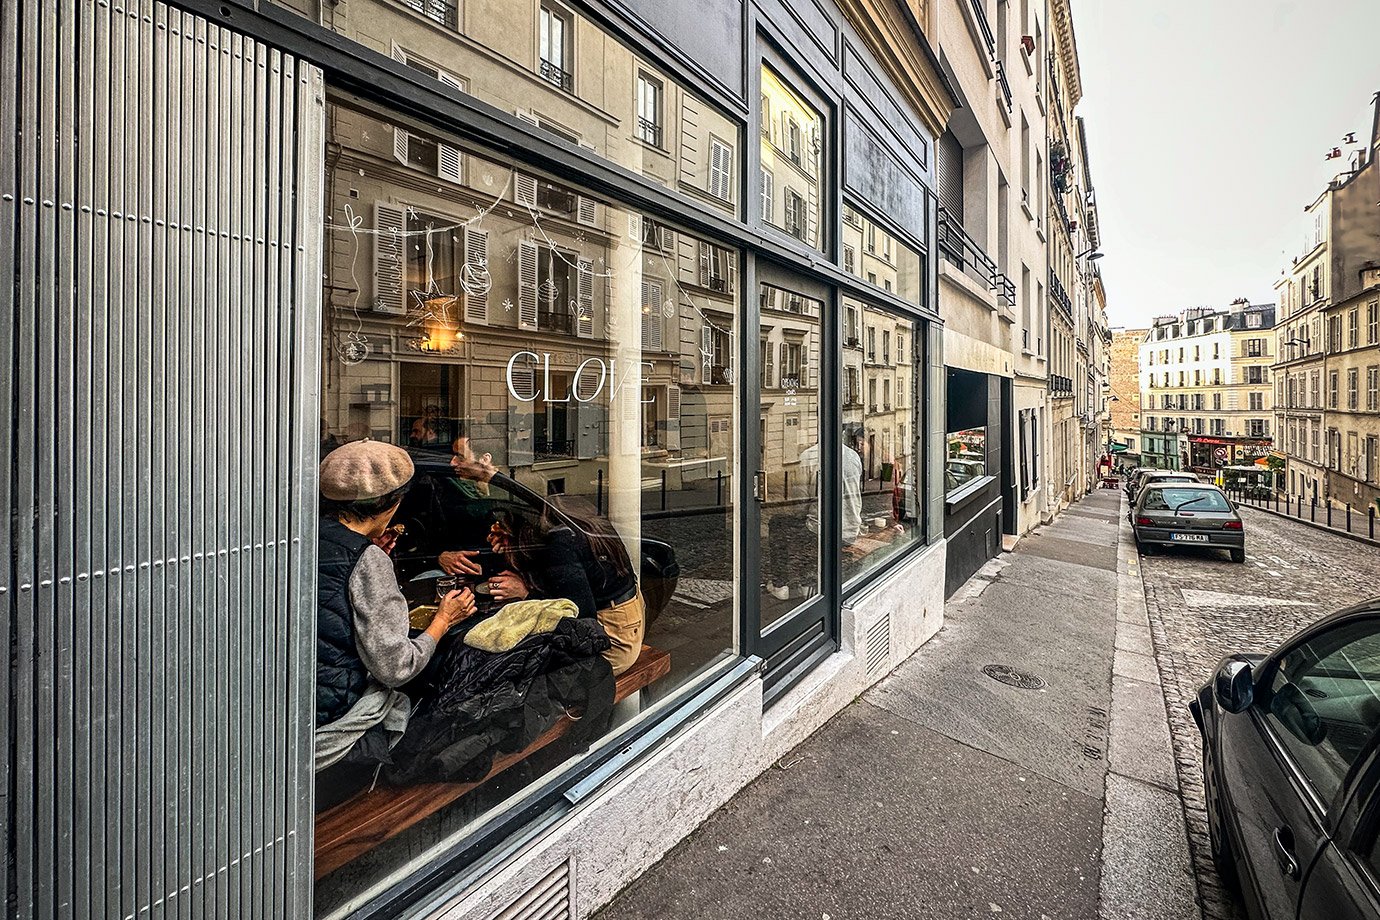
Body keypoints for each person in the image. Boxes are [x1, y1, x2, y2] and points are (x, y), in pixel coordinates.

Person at [316, 439, 477, 730]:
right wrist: (443, 620)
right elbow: (397, 667)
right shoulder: (368, 559)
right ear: (391, 502)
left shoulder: (309, 533)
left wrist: (366, 547)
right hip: (337, 713)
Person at [447, 455, 646, 676]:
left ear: (522, 531)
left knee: (510, 671)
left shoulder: (558, 543)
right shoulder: (557, 512)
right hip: (623, 614)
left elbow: (580, 622)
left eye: (503, 531)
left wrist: (526, 593)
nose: (497, 536)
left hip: (611, 636)